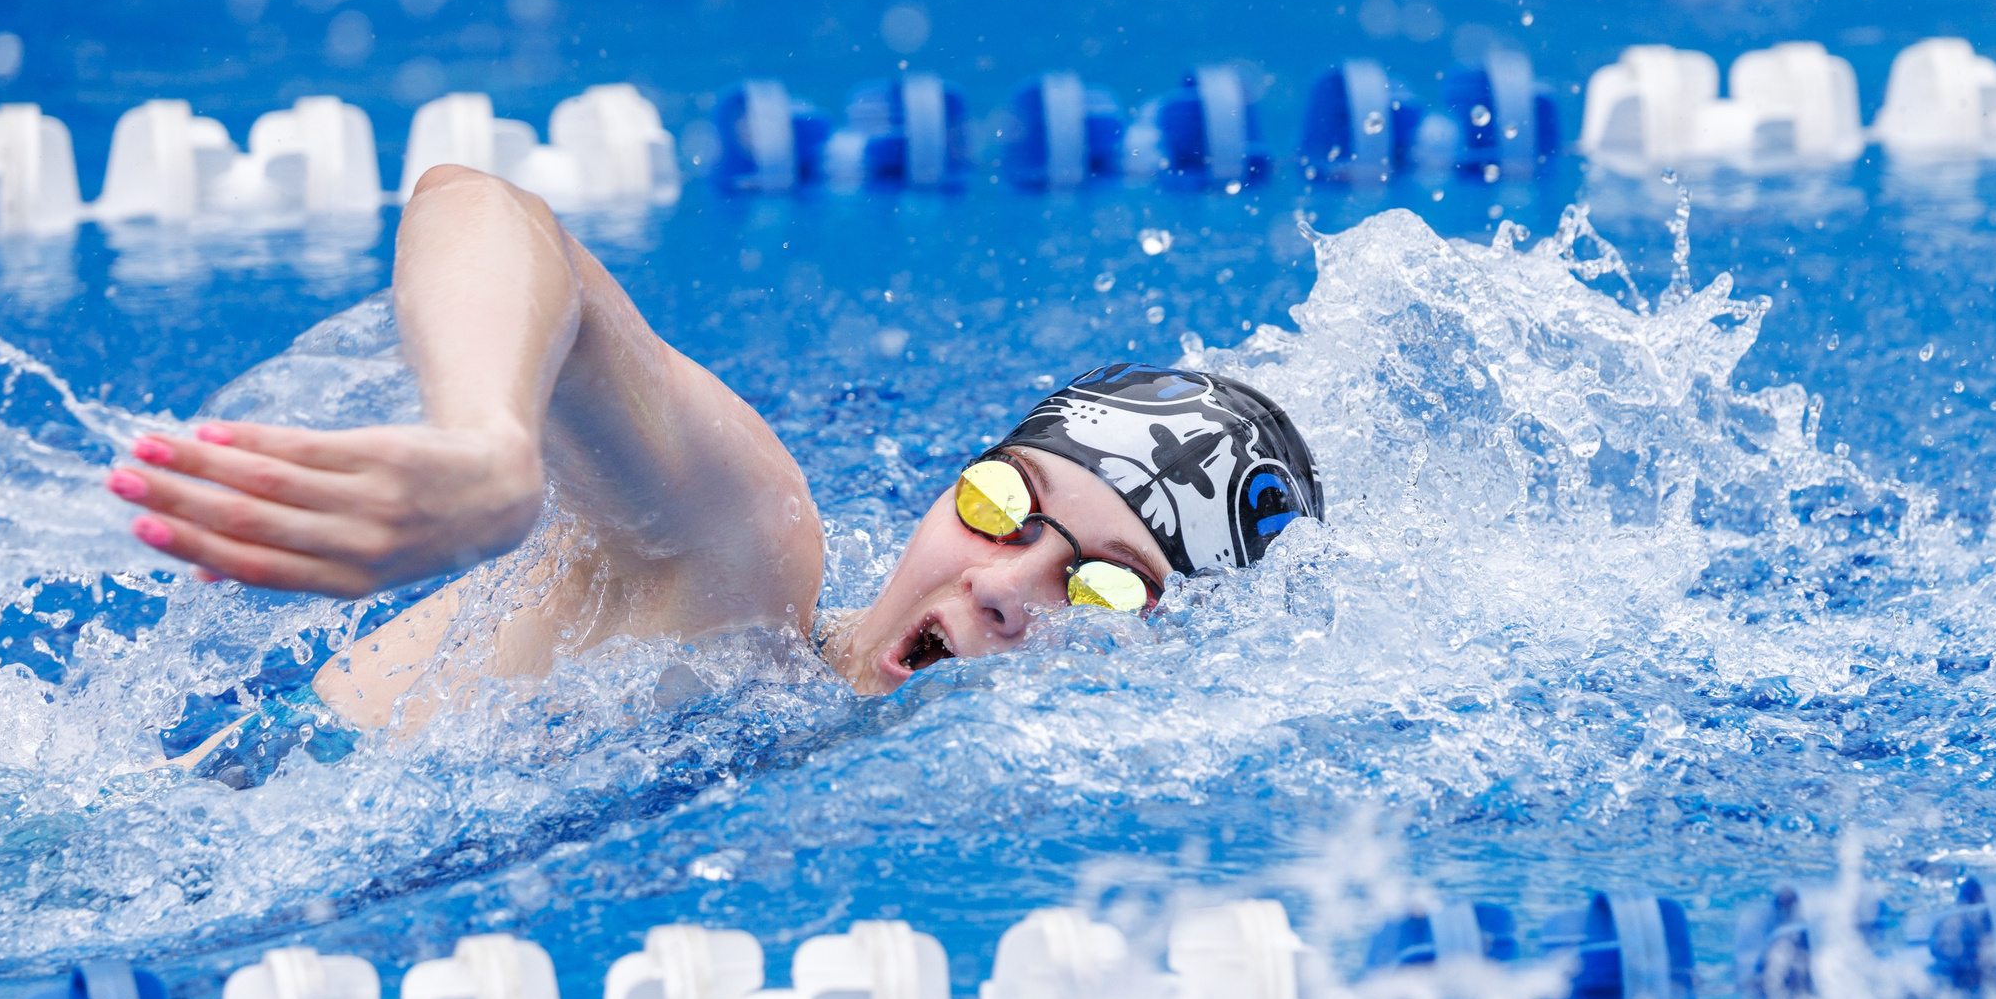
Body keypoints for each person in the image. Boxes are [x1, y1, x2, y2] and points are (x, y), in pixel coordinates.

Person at [107, 167, 1320, 737]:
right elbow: (490, 210)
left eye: (1106, 585)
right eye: (1002, 502)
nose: (1002, 586)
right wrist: (488, 446)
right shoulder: (742, 573)